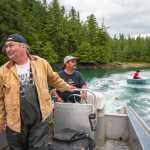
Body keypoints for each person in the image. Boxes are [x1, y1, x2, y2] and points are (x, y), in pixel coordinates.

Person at [0, 34, 75, 150]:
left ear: (23, 46)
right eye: (6, 47)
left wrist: (66, 87)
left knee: (39, 147)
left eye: (11, 45)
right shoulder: (3, 70)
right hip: (15, 121)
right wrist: (0, 119)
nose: (7, 49)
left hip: (40, 117)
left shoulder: (41, 63)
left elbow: (53, 78)